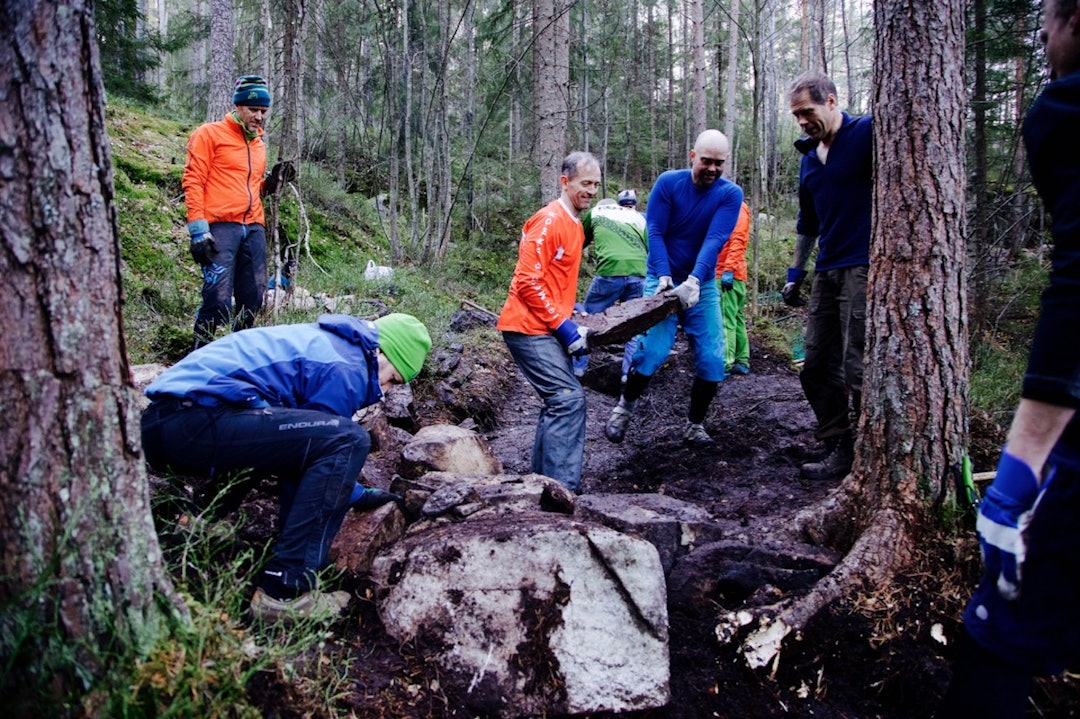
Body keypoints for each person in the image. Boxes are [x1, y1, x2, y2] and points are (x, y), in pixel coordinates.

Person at [940, 1, 1080, 714]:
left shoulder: (1069, 107)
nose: (1046, 37)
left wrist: (1020, 465)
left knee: (1000, 627)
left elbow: (1079, 280)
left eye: (1050, 18)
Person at [140, 312, 432, 623]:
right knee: (350, 440)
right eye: (392, 378)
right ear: (381, 352)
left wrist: (357, 495)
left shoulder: (333, 345)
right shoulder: (347, 369)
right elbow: (315, 459)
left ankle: (201, 522)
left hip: (169, 421)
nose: (385, 391)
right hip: (190, 424)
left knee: (280, 429)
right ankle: (285, 591)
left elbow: (299, 442)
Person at [603, 130, 744, 447]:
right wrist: (665, 277)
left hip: (702, 283)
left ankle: (694, 424)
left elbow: (715, 239)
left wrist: (694, 280)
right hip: (662, 278)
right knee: (652, 350)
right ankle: (624, 408)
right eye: (706, 160)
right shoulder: (669, 183)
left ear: (726, 162)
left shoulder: (730, 194)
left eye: (718, 163)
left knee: (711, 358)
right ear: (693, 155)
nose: (711, 168)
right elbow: (655, 231)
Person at [781, 71, 872, 480]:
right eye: (796, 115)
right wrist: (796, 273)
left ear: (832, 101)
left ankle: (872, 456)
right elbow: (808, 222)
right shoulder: (807, 157)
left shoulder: (867, 132)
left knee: (858, 367)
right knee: (816, 364)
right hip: (827, 269)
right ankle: (841, 445)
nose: (802, 121)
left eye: (807, 111)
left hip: (865, 265)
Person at [496, 152, 602, 493]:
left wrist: (571, 308)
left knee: (560, 400)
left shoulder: (574, 223)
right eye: (585, 184)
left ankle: (541, 484)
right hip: (526, 327)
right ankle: (560, 489)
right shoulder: (549, 219)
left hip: (544, 324)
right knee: (567, 399)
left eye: (596, 185)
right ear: (565, 181)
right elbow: (526, 281)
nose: (592, 191)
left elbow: (551, 278)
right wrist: (563, 326)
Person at [182, 75, 295, 350]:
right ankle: (199, 354)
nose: (259, 117)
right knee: (218, 299)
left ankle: (237, 354)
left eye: (263, 112)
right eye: (253, 110)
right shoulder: (208, 134)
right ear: (238, 107)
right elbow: (193, 180)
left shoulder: (258, 144)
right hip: (221, 227)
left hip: (253, 226)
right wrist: (198, 230)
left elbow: (253, 187)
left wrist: (272, 184)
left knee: (253, 298)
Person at [572, 189, 648, 379]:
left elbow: (578, 241)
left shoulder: (596, 212)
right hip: (639, 272)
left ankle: (578, 369)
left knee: (587, 319)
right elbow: (650, 247)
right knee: (634, 326)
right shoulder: (638, 217)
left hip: (610, 272)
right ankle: (627, 375)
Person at [717, 201, 752, 376]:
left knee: (725, 319)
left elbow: (738, 240)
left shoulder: (736, 207)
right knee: (736, 317)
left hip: (726, 272)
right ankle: (742, 360)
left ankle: (725, 363)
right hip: (735, 273)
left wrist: (728, 269)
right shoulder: (733, 207)